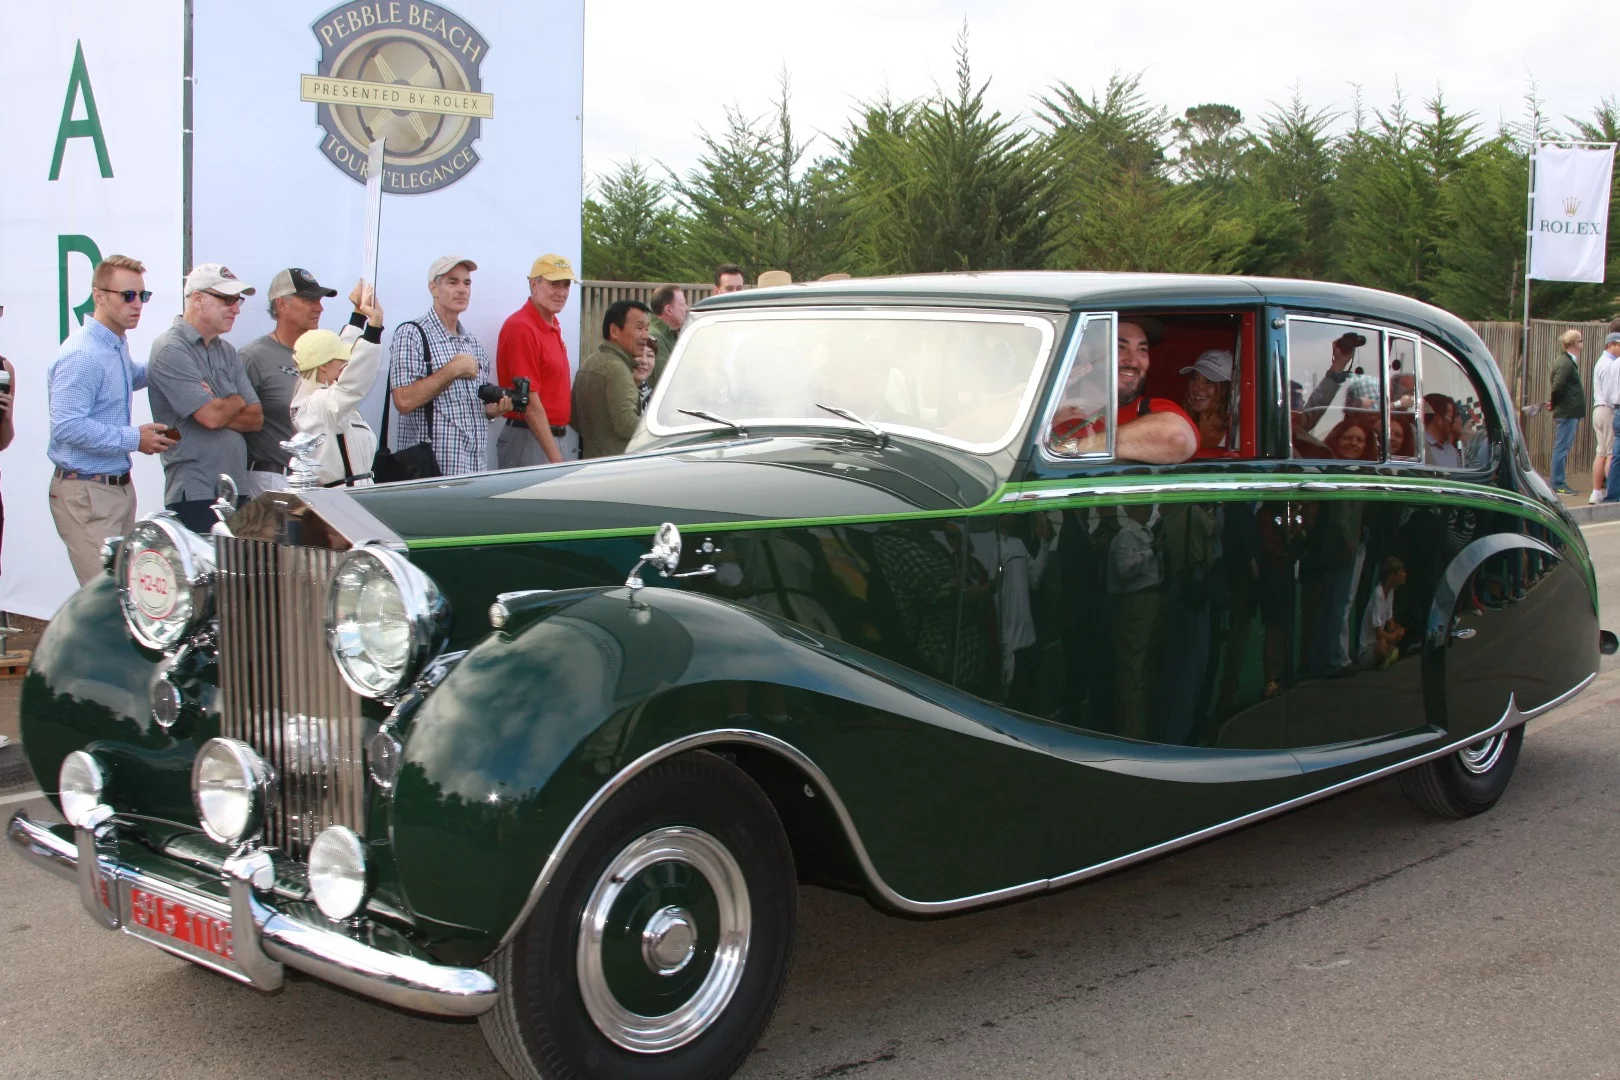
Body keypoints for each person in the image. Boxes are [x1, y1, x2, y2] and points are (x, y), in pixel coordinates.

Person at [47, 257, 176, 582]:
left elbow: (128, 376)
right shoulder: (82, 354)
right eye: (128, 296)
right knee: (106, 599)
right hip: (87, 492)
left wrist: (173, 364)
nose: (138, 305)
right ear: (99, 295)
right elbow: (67, 426)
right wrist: (135, 438)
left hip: (109, 489)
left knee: (123, 597)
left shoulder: (112, 343)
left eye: (142, 296)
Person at [146, 263, 262, 533]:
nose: (236, 308)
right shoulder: (170, 348)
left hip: (236, 488)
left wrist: (220, 405)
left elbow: (256, 417)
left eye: (238, 300)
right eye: (227, 299)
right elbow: (210, 417)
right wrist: (233, 401)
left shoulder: (228, 351)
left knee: (241, 574)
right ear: (197, 298)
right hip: (196, 489)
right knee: (207, 575)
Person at [390, 257, 505, 476]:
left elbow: (469, 409)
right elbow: (403, 401)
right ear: (433, 287)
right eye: (453, 282)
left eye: (467, 283)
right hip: (430, 474)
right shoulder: (412, 333)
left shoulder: (472, 343)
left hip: (473, 471)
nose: (462, 290)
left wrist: (492, 411)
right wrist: (453, 370)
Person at [239, 268, 339, 495]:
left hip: (320, 482)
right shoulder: (254, 358)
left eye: (320, 300)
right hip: (274, 480)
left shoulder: (325, 356)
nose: (319, 307)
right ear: (281, 305)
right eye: (309, 300)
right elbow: (237, 420)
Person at [1050, 317, 1198, 464]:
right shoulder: (1046, 404)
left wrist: (1066, 450)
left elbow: (1176, 438)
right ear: (1086, 354)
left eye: (1142, 350)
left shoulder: (1149, 410)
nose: (1133, 361)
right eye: (1120, 347)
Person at [287, 282, 385, 487]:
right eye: (342, 361)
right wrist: (374, 328)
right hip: (344, 501)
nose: (346, 365)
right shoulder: (321, 404)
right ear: (323, 366)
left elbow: (344, 347)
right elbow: (355, 381)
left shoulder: (312, 398)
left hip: (349, 497)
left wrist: (358, 315)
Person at [495, 254, 578, 468]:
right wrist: (556, 460)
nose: (561, 292)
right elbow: (530, 404)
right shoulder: (522, 327)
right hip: (530, 439)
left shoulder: (551, 325)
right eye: (554, 284)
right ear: (534, 284)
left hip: (549, 438)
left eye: (566, 285)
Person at [574, 299, 652, 458]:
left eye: (646, 329)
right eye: (639, 328)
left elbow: (573, 419)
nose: (646, 335)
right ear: (615, 331)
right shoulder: (617, 368)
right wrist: (658, 427)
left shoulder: (589, 362)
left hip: (591, 460)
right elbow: (626, 425)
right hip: (615, 465)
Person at [1546, 328, 1585, 494]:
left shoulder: (1567, 361)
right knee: (1561, 447)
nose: (1582, 344)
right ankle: (1558, 483)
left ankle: (1558, 482)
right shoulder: (1565, 363)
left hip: (1569, 410)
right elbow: (1558, 386)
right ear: (1574, 343)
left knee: (1562, 447)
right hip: (1567, 412)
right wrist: (1554, 403)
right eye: (1581, 341)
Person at [1180, 348, 1234, 456]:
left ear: (1226, 389)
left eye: (1209, 381)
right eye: (1194, 378)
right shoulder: (1178, 429)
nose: (1196, 387)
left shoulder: (1238, 437)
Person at [1358, 556, 1407, 670]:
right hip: (1368, 649)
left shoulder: (1390, 592)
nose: (1404, 574)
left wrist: (1396, 630)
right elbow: (1379, 633)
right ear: (1391, 576)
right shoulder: (1378, 595)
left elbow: (1389, 620)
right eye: (1401, 572)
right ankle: (1383, 659)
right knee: (1383, 645)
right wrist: (1394, 636)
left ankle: (1386, 657)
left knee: (1391, 643)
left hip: (1379, 641)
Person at [1590, 332, 1620, 502]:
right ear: (1611, 345)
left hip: (1599, 408)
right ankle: (1611, 491)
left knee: (1601, 453)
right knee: (1611, 454)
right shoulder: (1610, 364)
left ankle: (1596, 492)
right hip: (1608, 409)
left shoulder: (1605, 363)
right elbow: (1609, 393)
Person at [647, 284, 688, 388]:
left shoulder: (671, 332)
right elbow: (665, 382)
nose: (686, 309)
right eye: (683, 304)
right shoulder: (655, 336)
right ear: (669, 310)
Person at [1423, 393, 1461, 467]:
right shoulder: (1420, 447)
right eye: (1449, 414)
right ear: (1438, 418)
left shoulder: (1453, 452)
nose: (1452, 420)